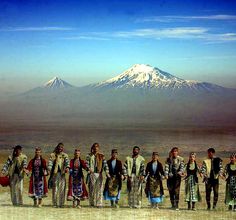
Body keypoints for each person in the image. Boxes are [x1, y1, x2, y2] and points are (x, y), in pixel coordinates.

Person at [86, 143, 109, 208]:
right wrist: (89, 169)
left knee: (100, 189)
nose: (96, 148)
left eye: (97, 147)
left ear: (98, 148)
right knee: (92, 189)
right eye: (94, 147)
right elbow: (86, 164)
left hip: (99, 174)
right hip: (92, 174)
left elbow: (105, 165)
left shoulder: (101, 156)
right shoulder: (89, 155)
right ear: (93, 148)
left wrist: (107, 172)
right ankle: (92, 203)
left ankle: (99, 203)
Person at [48, 143, 70, 208]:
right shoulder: (53, 155)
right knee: (55, 189)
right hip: (55, 174)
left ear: (63, 148)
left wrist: (67, 168)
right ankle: (55, 203)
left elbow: (67, 162)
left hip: (62, 174)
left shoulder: (65, 155)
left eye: (61, 147)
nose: (60, 148)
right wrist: (49, 169)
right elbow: (50, 163)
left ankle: (61, 204)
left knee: (62, 189)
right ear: (57, 147)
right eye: (59, 147)